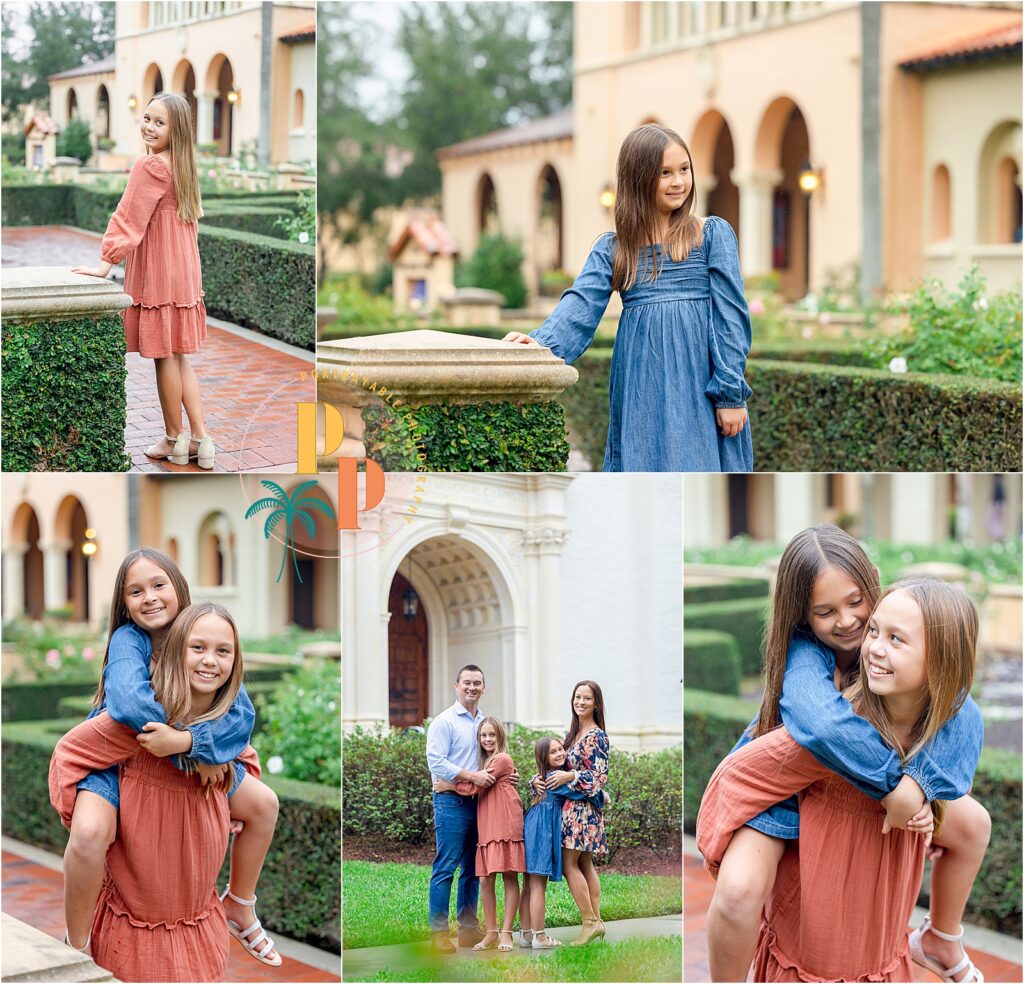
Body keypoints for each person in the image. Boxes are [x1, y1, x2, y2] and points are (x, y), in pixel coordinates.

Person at [705, 526, 988, 983]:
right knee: (738, 894)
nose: (849, 622)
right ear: (802, 615)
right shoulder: (806, 654)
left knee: (974, 825)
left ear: (872, 579)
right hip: (781, 789)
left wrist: (919, 784)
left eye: (857, 602)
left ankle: (941, 937)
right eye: (825, 611)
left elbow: (961, 704)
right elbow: (822, 726)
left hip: (860, 786)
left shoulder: (897, 626)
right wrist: (896, 786)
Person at [62, 548, 281, 967]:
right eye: (135, 591)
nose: (149, 597)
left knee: (264, 805)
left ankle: (239, 904)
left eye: (159, 585)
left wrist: (190, 744)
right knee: (89, 835)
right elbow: (130, 705)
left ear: (178, 588)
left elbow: (240, 716)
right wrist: (191, 743)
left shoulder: (204, 629)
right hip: (118, 756)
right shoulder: (130, 639)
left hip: (186, 750)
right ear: (123, 603)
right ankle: (74, 944)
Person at [503, 122, 752, 472]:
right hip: (642, 383)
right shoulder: (614, 249)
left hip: (700, 385)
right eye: (665, 173)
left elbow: (731, 319)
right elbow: (580, 305)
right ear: (638, 179)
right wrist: (542, 343)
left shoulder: (711, 235)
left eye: (684, 169)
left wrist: (730, 393)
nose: (678, 181)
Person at [71, 92, 214, 469]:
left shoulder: (150, 166)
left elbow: (127, 217)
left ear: (175, 130)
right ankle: (201, 440)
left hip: (160, 268)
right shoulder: (183, 164)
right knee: (179, 356)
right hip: (184, 266)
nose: (149, 127)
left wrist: (105, 262)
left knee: (164, 356)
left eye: (159, 122)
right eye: (147, 118)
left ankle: (175, 440)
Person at [434, 717, 529, 951]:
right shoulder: (484, 762)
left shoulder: (501, 759)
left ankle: (506, 933)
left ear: (500, 736)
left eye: (492, 735)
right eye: (483, 735)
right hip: (487, 823)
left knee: (509, 876)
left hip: (505, 821)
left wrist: (448, 786)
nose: (487, 739)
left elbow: (478, 784)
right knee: (485, 878)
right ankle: (491, 933)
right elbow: (479, 780)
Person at [425, 664, 490, 952]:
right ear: (457, 686)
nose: (472, 687)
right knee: (446, 866)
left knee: (473, 869)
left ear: (483, 688)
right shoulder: (445, 721)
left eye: (477, 683)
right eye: (467, 682)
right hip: (450, 803)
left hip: (481, 803)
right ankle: (439, 934)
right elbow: (436, 763)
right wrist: (471, 777)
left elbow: (493, 757)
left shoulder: (485, 723)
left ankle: (468, 930)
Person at [540, 680, 610, 945]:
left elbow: (599, 777)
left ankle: (590, 922)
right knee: (584, 864)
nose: (581, 702)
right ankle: (597, 921)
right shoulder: (573, 734)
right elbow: (557, 765)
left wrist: (572, 775)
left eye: (587, 698)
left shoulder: (597, 736)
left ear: (596, 704)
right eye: (577, 697)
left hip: (582, 809)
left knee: (569, 865)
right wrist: (540, 779)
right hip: (572, 807)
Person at [523, 736, 608, 949]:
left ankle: (527, 935)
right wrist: (603, 797)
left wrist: (532, 781)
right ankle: (539, 937)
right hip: (542, 829)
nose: (560, 753)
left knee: (532, 882)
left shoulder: (549, 776)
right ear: (544, 757)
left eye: (561, 749)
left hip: (535, 824)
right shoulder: (555, 778)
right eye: (553, 752)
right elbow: (580, 793)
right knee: (537, 883)